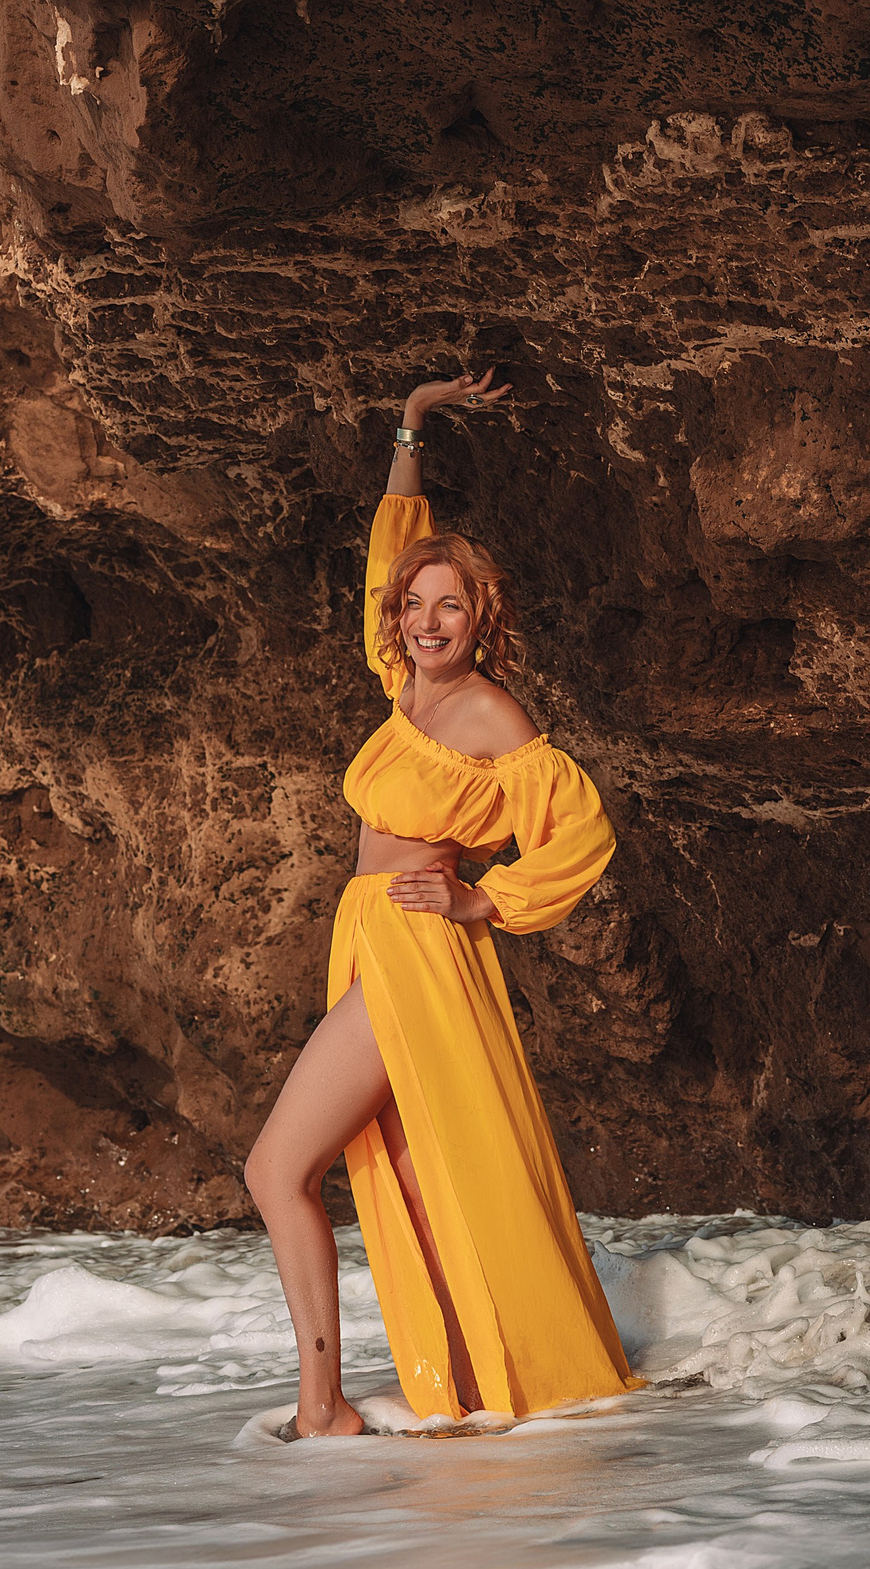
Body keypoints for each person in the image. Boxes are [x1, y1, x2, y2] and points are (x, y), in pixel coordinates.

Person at [243, 369, 642, 1437]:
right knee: (421, 1186)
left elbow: (581, 826)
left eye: (447, 605)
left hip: (418, 948)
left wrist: (484, 903)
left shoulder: (484, 712)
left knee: (276, 1166)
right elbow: (388, 551)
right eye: (414, 606)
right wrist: (410, 427)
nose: (425, 620)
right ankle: (477, 1398)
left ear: (481, 618)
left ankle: (321, 1406)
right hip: (369, 939)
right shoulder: (404, 682)